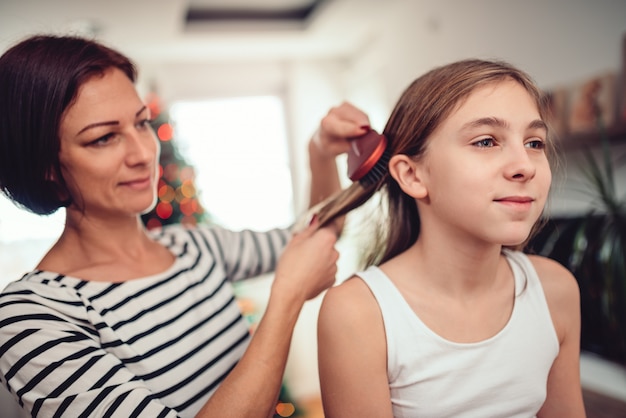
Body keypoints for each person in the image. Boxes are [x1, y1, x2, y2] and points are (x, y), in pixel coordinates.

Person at [0, 34, 371, 418]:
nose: (144, 153)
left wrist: (320, 154)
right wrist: (287, 298)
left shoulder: (193, 246)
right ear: (45, 168)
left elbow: (313, 234)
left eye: (142, 123)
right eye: (104, 138)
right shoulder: (34, 315)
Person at [316, 59, 586, 417]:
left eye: (535, 142)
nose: (526, 165)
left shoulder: (555, 290)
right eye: (487, 141)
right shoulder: (358, 314)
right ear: (412, 175)